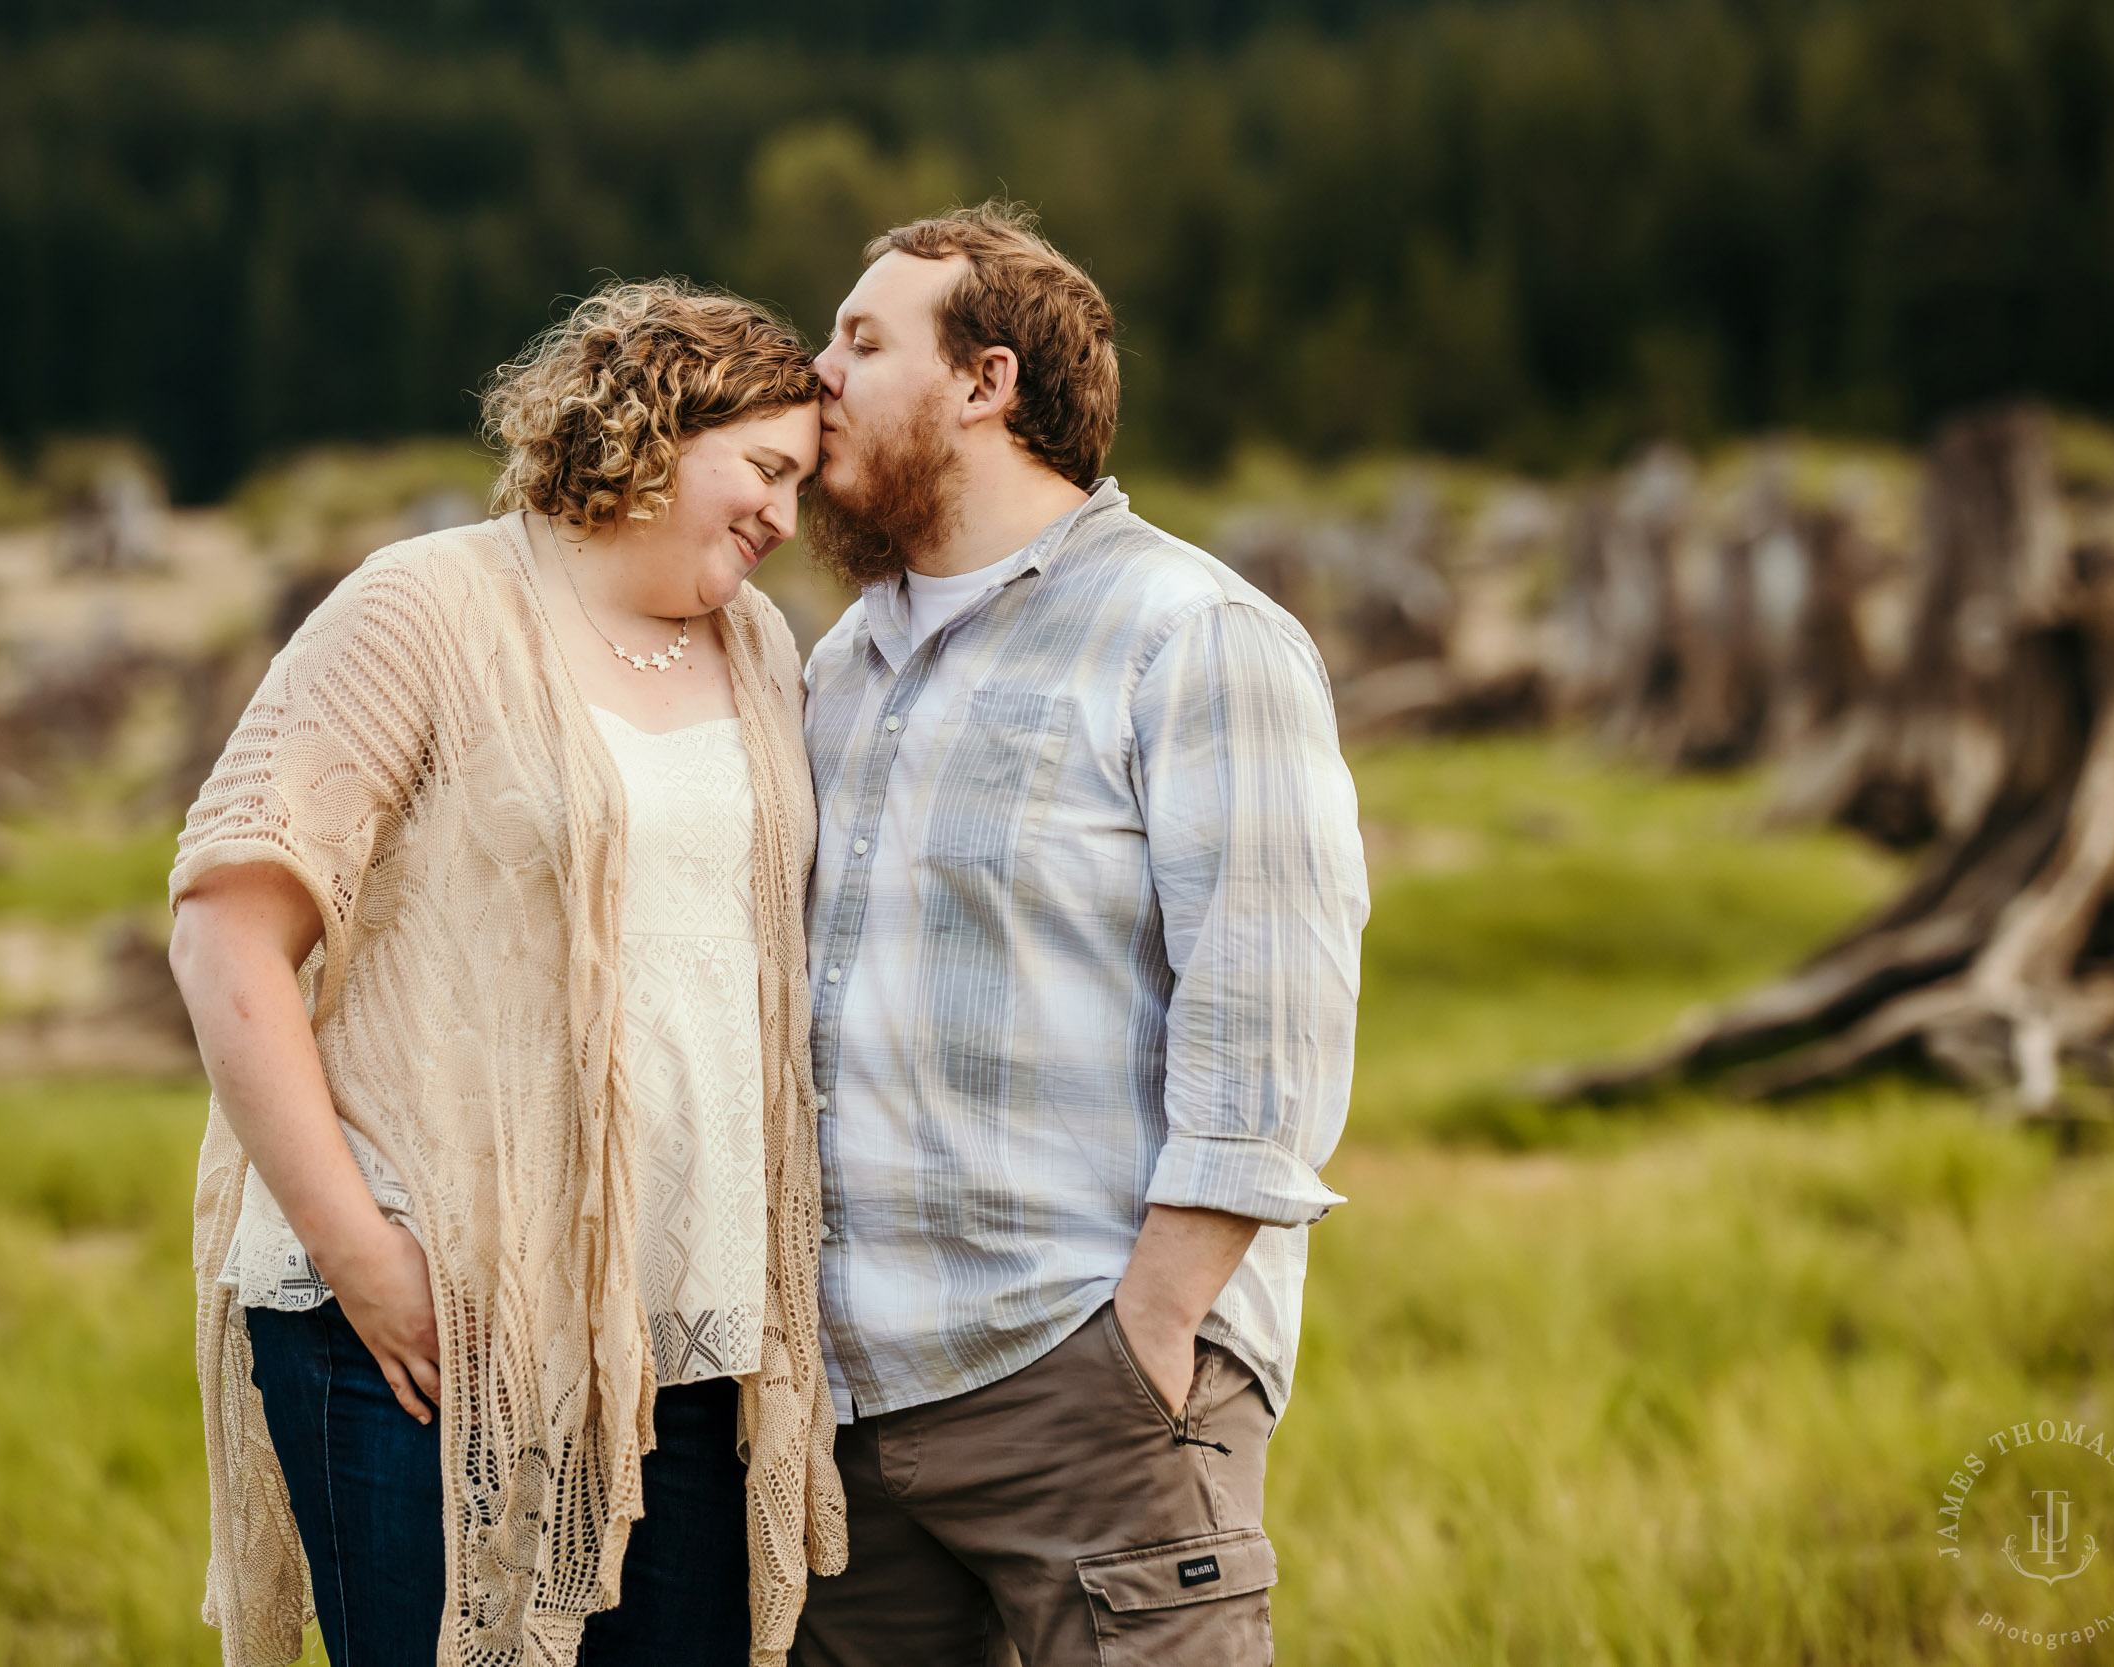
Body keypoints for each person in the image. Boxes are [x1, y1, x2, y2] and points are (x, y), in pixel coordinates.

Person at [166, 278, 845, 1667]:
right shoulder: (424, 608)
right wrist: (364, 1256)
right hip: (417, 1318)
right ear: (656, 425)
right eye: (768, 469)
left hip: (690, 1335)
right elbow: (228, 932)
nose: (786, 515)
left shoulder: (760, 647)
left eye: (804, 483)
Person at [791, 202, 1369, 1667]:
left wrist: (1149, 1336)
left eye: (863, 341)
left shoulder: (1193, 634)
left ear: (985, 384)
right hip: (842, 1425)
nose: (817, 374)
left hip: (1087, 1384)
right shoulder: (838, 663)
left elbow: (1270, 1017)